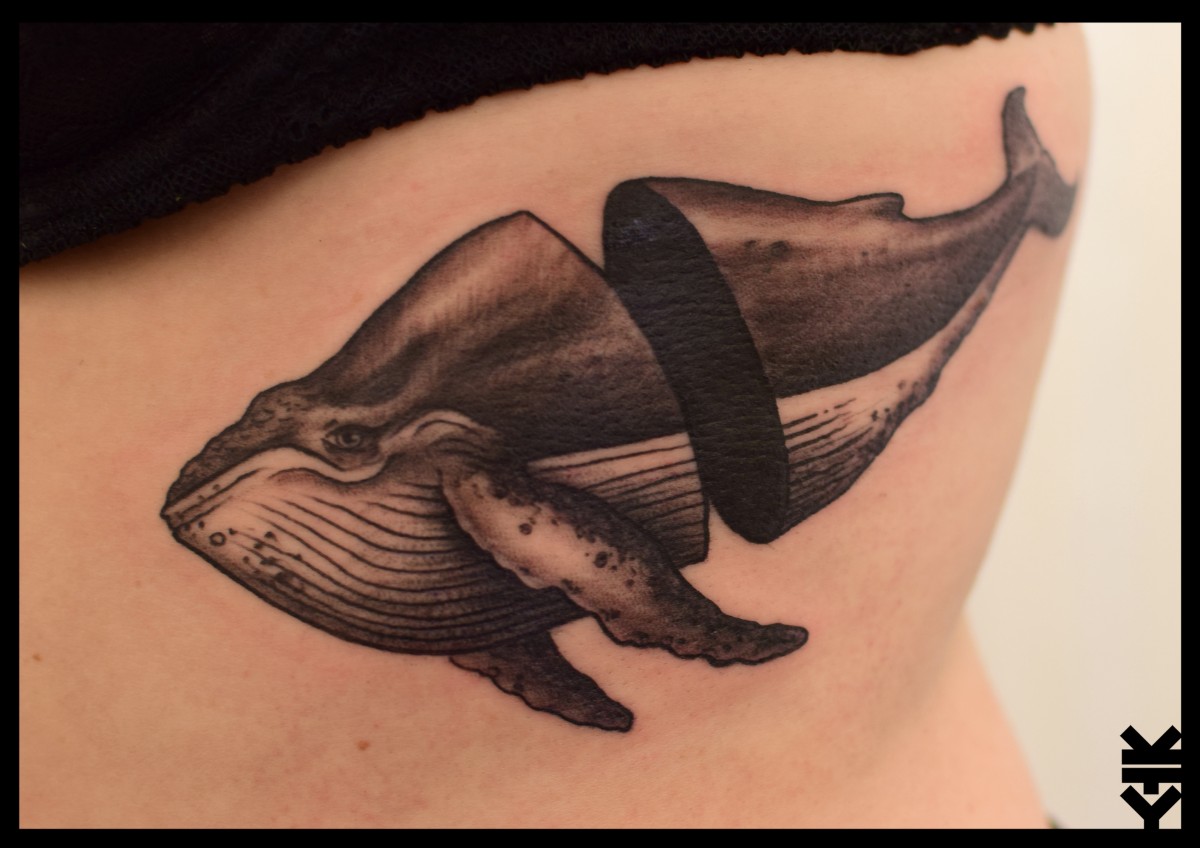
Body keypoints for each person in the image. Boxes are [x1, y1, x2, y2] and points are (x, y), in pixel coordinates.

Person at [19, 24, 1090, 827]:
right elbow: (479, 604)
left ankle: (1016, 196)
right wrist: (548, 664)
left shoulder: (451, 464)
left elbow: (544, 538)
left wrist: (686, 626)